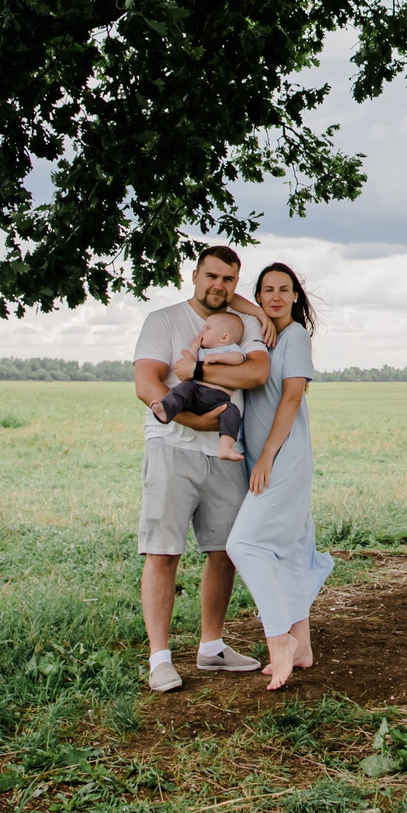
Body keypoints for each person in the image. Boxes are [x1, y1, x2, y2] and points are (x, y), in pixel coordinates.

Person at [132, 247, 270, 691]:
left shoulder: (245, 324)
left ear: (235, 283)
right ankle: (160, 659)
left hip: (225, 451)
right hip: (172, 447)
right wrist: (189, 415)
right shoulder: (165, 321)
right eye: (212, 276)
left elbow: (255, 375)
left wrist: (197, 369)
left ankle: (212, 647)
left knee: (224, 550)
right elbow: (148, 381)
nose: (219, 285)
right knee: (163, 550)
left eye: (228, 279)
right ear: (194, 275)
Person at [223, 261, 335, 691]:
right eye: (266, 290)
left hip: (283, 456)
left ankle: (279, 641)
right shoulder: (259, 333)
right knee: (287, 551)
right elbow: (231, 296)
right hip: (263, 456)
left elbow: (291, 400)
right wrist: (253, 311)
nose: (274, 296)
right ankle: (302, 645)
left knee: (244, 545)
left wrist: (267, 454)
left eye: (283, 289)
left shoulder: (295, 337)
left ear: (295, 296)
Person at [157, 310, 251, 461]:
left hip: (220, 400)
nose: (202, 331)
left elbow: (238, 359)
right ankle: (166, 409)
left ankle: (225, 447)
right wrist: (194, 347)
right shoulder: (203, 351)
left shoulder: (231, 349)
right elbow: (190, 362)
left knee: (232, 412)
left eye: (207, 328)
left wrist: (217, 358)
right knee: (183, 388)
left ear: (224, 337)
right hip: (197, 392)